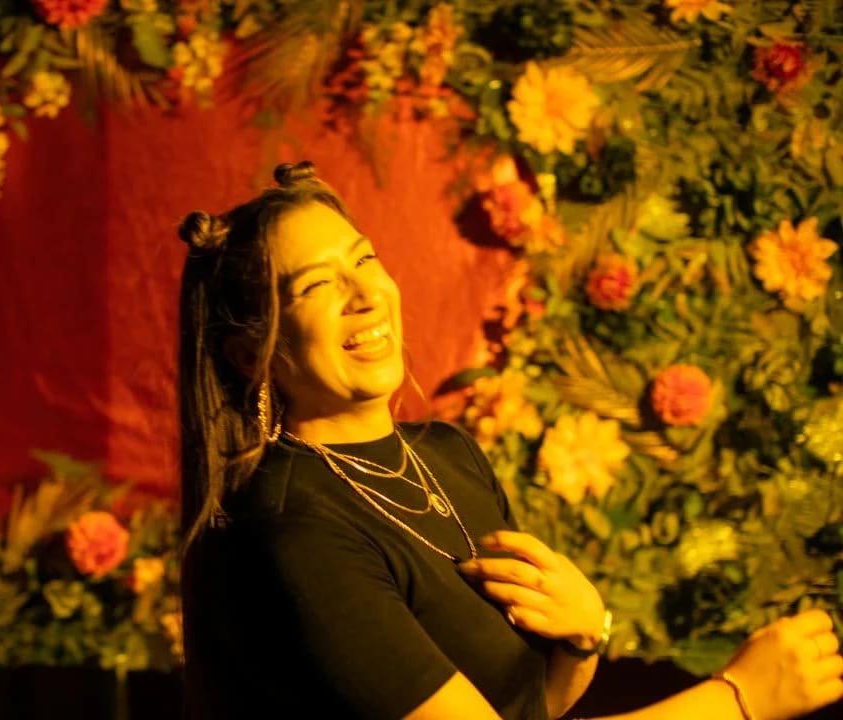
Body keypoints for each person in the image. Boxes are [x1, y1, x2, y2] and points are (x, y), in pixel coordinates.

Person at [176, 161, 843, 720]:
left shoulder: (445, 454)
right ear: (251, 355)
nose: (364, 295)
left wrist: (580, 640)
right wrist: (739, 698)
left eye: (365, 259)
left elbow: (529, 707)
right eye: (317, 286)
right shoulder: (293, 530)